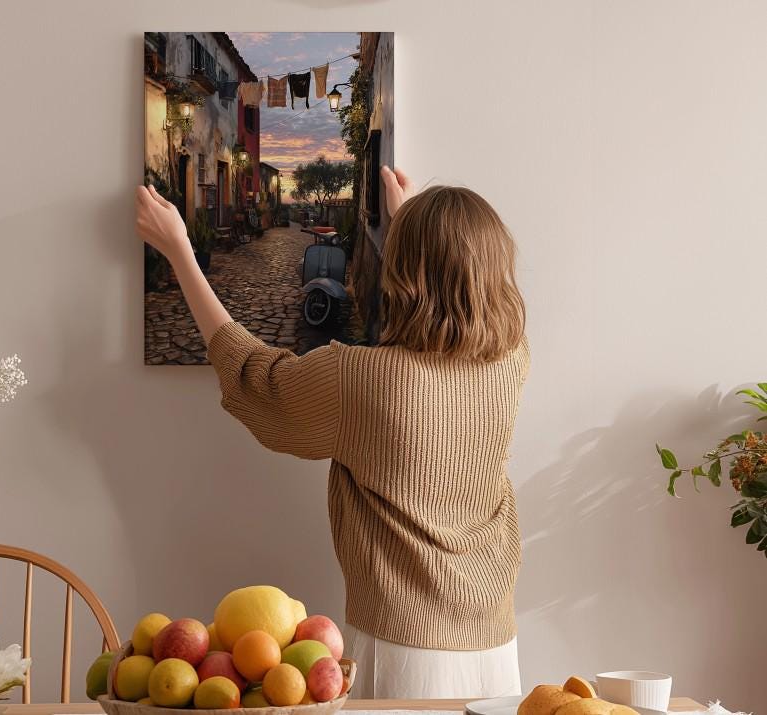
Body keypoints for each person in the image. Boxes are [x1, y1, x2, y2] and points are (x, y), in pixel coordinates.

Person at [135, 166, 529, 699]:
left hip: (402, 646)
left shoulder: (360, 379)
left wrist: (179, 249)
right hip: (496, 645)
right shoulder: (511, 361)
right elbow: (448, 302)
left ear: (404, 272)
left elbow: (254, 374)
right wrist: (411, 222)